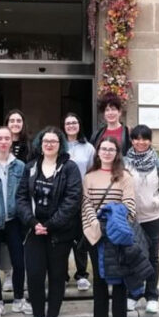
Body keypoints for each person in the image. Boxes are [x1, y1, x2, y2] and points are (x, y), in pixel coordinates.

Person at [16, 127, 83, 317]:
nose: (49, 144)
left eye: (54, 141)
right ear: (40, 143)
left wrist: (52, 224)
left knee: (56, 276)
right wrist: (32, 221)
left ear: (60, 144)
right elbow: (21, 198)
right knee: (35, 276)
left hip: (59, 233)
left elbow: (73, 199)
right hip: (34, 231)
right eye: (46, 141)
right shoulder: (31, 167)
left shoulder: (69, 168)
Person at [81, 136, 137, 317]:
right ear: (98, 152)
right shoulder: (89, 177)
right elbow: (85, 203)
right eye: (103, 149)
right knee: (99, 277)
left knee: (120, 276)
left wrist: (114, 220)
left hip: (117, 232)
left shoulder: (125, 177)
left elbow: (130, 204)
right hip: (95, 232)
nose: (106, 152)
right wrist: (95, 223)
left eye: (111, 149)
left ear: (116, 153)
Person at [124, 125, 159, 314]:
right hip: (132, 219)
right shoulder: (124, 163)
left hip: (153, 217)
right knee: (133, 257)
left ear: (150, 140)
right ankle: (134, 294)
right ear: (131, 140)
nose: (140, 142)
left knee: (153, 257)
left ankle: (152, 295)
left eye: (144, 138)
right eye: (136, 138)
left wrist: (155, 201)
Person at [0, 126, 31, 317]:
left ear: (11, 141)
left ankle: (19, 299)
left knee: (19, 263)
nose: (3, 141)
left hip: (13, 220)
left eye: (6, 138)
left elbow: (24, 193)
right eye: (0, 138)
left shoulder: (19, 166)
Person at [64, 112, 95, 291]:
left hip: (82, 198)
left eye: (74, 123)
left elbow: (91, 171)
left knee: (81, 238)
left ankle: (82, 274)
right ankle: (63, 274)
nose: (71, 126)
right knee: (63, 238)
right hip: (62, 199)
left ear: (79, 125)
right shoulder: (60, 146)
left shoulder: (89, 148)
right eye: (68, 123)